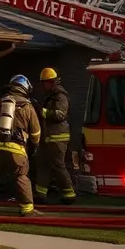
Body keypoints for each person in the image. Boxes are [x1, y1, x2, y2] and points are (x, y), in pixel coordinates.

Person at [0, 75, 43, 217]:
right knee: (21, 176)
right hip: (16, 149)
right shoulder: (28, 107)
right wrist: (34, 147)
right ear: (26, 89)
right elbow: (36, 132)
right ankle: (27, 209)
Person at [34, 67, 75, 205]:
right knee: (43, 164)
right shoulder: (50, 95)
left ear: (51, 82)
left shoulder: (60, 96)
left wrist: (42, 111)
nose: (42, 85)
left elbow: (60, 114)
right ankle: (40, 194)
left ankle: (69, 194)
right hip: (48, 137)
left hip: (58, 137)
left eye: (44, 82)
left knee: (58, 165)